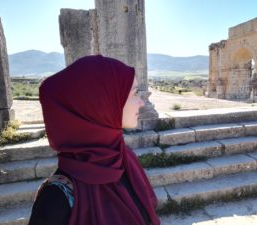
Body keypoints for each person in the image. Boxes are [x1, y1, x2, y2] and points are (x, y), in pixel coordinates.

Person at [28, 55, 160, 225]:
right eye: (134, 93)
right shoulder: (55, 199)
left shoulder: (125, 158)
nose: (141, 102)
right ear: (102, 103)